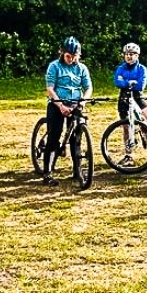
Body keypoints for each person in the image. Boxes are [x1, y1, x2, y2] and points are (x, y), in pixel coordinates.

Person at [41, 36, 93, 185]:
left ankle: (77, 171)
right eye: (68, 56)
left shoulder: (82, 68)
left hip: (75, 104)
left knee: (76, 139)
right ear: (62, 53)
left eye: (74, 56)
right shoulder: (54, 66)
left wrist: (83, 101)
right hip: (57, 103)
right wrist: (60, 105)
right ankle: (48, 173)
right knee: (54, 136)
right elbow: (50, 88)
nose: (70, 59)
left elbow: (88, 87)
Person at [113, 43, 147, 161]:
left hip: (138, 97)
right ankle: (128, 154)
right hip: (123, 98)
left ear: (137, 56)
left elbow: (140, 85)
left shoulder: (142, 69)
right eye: (127, 54)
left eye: (132, 54)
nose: (129, 57)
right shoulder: (120, 68)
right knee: (125, 127)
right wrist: (130, 83)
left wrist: (125, 82)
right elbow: (117, 82)